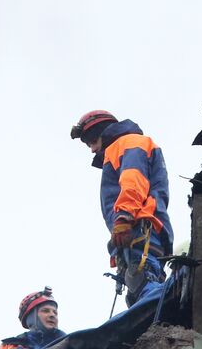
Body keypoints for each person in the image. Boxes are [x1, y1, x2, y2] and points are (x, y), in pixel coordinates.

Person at [71, 110, 174, 307]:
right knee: (139, 282)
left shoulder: (128, 143)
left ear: (99, 132)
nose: (92, 150)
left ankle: (155, 311)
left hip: (139, 227)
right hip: (142, 228)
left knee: (142, 279)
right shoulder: (127, 147)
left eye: (91, 142)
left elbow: (133, 181)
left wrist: (123, 218)